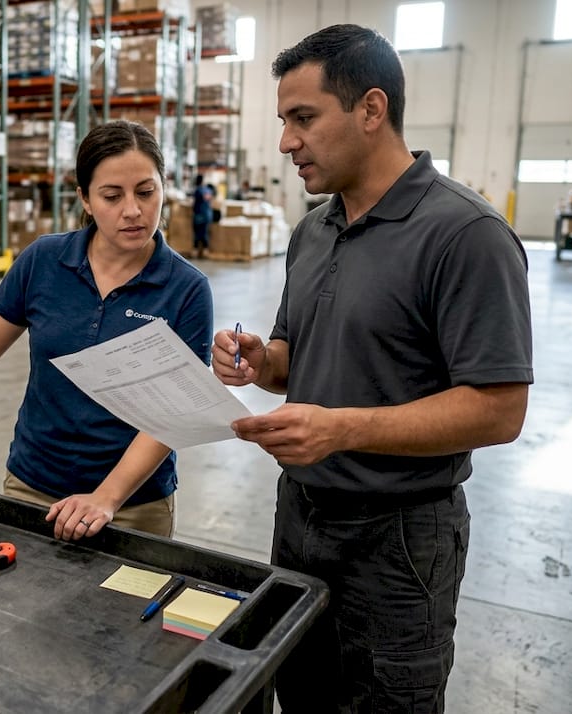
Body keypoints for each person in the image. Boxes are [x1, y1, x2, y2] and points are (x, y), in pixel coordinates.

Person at [210, 25, 532, 713]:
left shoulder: (465, 235)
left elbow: (500, 409)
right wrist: (261, 361)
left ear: (371, 109)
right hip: (299, 519)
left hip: (399, 540)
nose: (286, 142)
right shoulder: (312, 231)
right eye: (284, 121)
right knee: (297, 692)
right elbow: (295, 357)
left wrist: (342, 429)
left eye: (304, 118)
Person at [0, 120, 213, 541]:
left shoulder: (186, 289)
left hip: (133, 505)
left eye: (146, 192)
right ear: (86, 199)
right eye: (112, 196)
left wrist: (106, 498)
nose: (132, 210)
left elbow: (173, 413)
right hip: (32, 487)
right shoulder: (43, 260)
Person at [191, 174, 215, 258]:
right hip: (207, 214)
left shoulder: (197, 190)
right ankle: (205, 251)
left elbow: (194, 203)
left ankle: (195, 251)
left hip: (199, 214)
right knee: (205, 233)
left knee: (197, 233)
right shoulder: (208, 190)